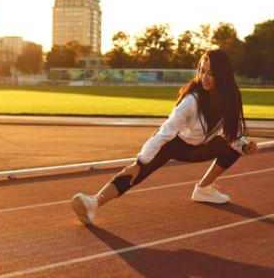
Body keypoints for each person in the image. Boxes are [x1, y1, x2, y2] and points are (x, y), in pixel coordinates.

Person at [71, 48, 259, 225]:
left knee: (232, 147)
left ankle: (204, 189)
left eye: (210, 73)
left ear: (223, 74)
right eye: (202, 71)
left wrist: (243, 145)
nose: (204, 77)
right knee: (138, 171)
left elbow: (231, 133)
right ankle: (93, 203)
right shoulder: (191, 101)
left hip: (200, 146)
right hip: (174, 143)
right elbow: (165, 132)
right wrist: (139, 162)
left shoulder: (231, 97)